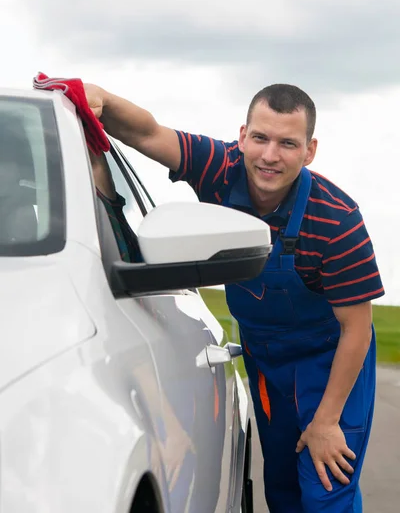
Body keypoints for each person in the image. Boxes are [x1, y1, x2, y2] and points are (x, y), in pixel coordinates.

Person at [83, 81, 384, 513]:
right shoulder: (220, 169)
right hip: (265, 363)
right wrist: (102, 101)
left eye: (287, 143)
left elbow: (356, 328)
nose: (269, 155)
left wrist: (328, 420)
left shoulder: (337, 220)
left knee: (324, 493)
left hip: (330, 364)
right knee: (281, 490)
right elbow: (149, 134)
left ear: (309, 150)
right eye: (260, 138)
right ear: (242, 136)